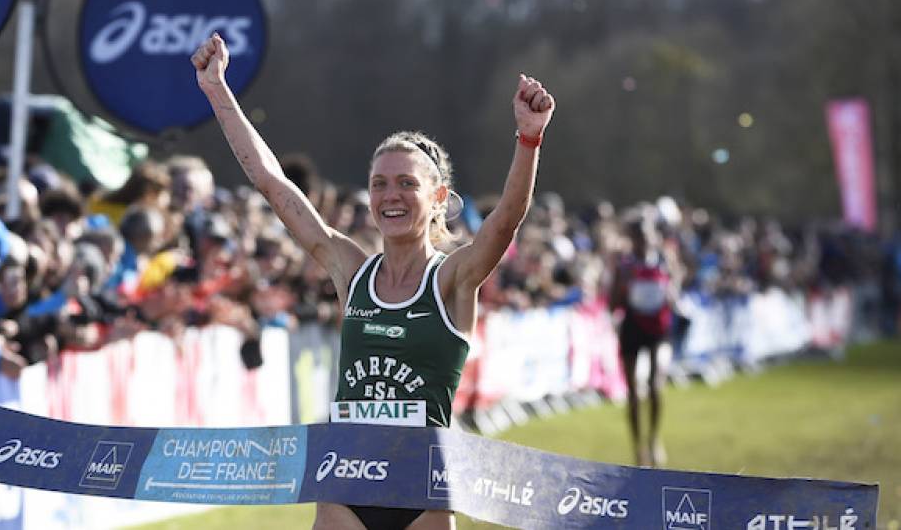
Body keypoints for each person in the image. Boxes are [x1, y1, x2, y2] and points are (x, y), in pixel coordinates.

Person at [192, 33, 554, 530]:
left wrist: (529, 140)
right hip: (346, 484)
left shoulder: (452, 278)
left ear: (438, 197)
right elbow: (273, 184)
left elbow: (505, 221)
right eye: (380, 184)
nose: (391, 195)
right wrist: (217, 91)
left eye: (407, 183)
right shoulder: (351, 270)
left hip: (422, 490)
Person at [609, 216, 675, 467]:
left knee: (655, 386)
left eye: (647, 236)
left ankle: (654, 439)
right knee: (633, 392)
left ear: (654, 237)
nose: (644, 241)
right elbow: (612, 305)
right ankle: (638, 448)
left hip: (659, 329)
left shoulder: (664, 261)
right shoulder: (625, 266)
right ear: (633, 239)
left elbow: (674, 295)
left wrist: (670, 290)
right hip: (633, 327)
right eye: (639, 237)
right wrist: (624, 287)